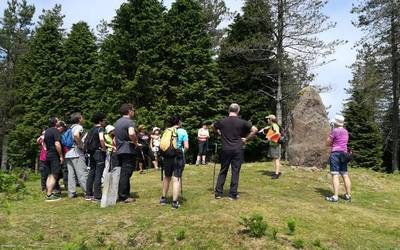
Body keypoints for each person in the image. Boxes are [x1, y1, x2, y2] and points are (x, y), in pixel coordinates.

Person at [213, 103, 258, 200]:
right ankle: (232, 194)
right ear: (238, 111)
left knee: (223, 170)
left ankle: (218, 193)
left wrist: (218, 133)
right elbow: (255, 130)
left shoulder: (222, 121)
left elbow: (213, 126)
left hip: (225, 149)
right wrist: (246, 139)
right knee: (235, 171)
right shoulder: (242, 122)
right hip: (237, 149)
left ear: (229, 110)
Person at [160, 115, 189, 209]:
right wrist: (183, 152)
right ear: (179, 122)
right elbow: (187, 146)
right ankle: (174, 202)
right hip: (178, 156)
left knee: (167, 177)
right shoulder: (183, 131)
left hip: (167, 156)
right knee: (176, 178)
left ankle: (163, 198)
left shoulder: (167, 131)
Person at [114, 103, 138, 203]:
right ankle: (124, 196)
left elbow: (115, 139)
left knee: (122, 173)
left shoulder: (117, 122)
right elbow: (131, 133)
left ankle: (123, 193)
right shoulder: (129, 122)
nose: (134, 112)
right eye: (133, 110)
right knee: (126, 173)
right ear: (129, 111)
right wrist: (135, 142)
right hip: (128, 150)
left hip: (119, 150)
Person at [325, 115, 352, 202]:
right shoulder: (346, 131)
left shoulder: (335, 131)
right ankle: (348, 195)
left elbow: (328, 143)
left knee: (335, 174)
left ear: (336, 123)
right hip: (344, 153)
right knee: (345, 174)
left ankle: (335, 196)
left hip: (336, 153)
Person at [65, 112, 88, 198]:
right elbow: (76, 135)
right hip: (76, 153)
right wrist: (81, 145)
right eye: (82, 118)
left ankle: (71, 193)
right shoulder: (78, 127)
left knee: (71, 174)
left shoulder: (70, 127)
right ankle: (87, 192)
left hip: (68, 153)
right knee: (82, 173)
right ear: (79, 119)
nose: (83, 119)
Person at [85, 112, 107, 202]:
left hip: (92, 153)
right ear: (100, 120)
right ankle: (97, 196)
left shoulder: (91, 129)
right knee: (98, 174)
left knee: (92, 172)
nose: (105, 121)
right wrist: (104, 149)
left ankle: (88, 194)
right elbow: (101, 139)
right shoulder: (100, 129)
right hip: (99, 153)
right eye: (104, 120)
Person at [43, 117, 64, 201]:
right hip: (54, 155)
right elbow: (57, 143)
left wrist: (47, 149)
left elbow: (43, 142)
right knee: (55, 175)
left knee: (50, 174)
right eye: (58, 120)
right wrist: (61, 156)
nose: (59, 121)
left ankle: (49, 193)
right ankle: (49, 195)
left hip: (48, 154)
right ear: (55, 123)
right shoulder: (55, 131)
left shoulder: (47, 131)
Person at [263, 115, 282, 179]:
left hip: (275, 145)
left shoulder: (274, 125)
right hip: (274, 144)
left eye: (268, 119)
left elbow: (277, 133)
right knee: (275, 159)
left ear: (271, 119)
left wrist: (269, 137)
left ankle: (276, 174)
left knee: (276, 159)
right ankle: (277, 172)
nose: (267, 120)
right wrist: (268, 139)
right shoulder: (272, 126)